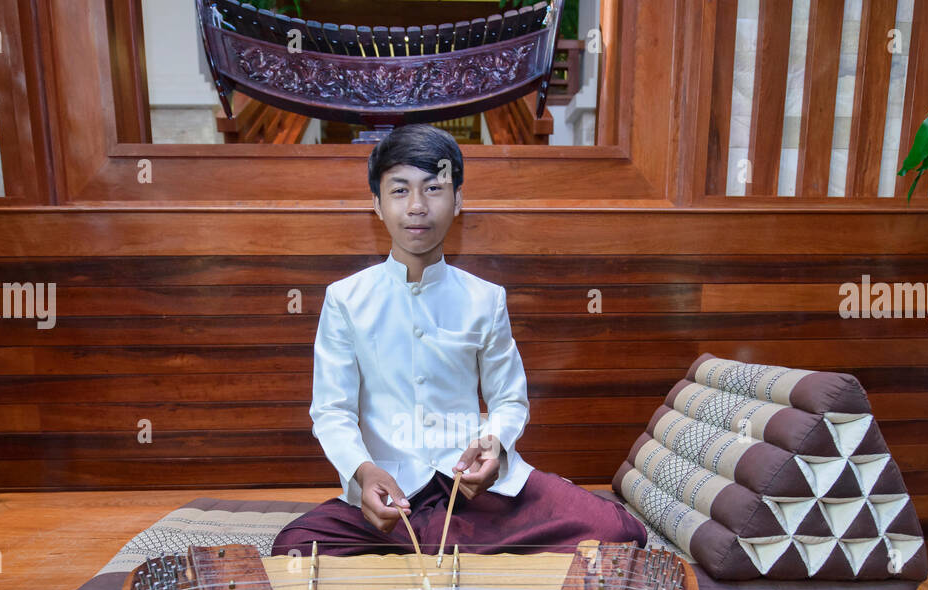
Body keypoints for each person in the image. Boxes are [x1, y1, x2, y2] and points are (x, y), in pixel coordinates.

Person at [271, 124, 647, 558]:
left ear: (458, 201)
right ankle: (457, 547)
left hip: (471, 485)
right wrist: (362, 471)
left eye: (433, 188)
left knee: (619, 530)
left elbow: (510, 400)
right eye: (399, 191)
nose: (417, 206)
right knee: (293, 548)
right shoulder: (345, 299)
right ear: (376, 205)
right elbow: (331, 411)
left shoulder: (485, 298)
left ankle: (437, 546)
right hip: (391, 492)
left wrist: (495, 443)